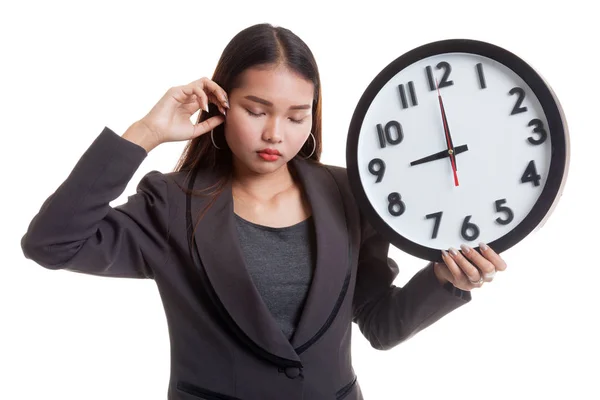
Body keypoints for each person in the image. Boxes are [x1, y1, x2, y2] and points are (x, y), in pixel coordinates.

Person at [21, 23, 507, 400]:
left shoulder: (351, 194)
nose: (276, 133)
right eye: (256, 110)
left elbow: (380, 324)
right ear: (222, 103)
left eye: (297, 116)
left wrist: (447, 282)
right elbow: (52, 242)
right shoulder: (170, 203)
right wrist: (145, 132)